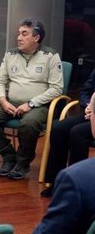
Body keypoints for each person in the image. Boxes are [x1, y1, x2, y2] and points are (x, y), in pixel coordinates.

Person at [0, 19, 64, 180]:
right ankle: (9, 156)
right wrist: (3, 100)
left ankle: (23, 162)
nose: (19, 37)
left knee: (29, 123)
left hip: (39, 105)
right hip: (10, 103)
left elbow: (56, 88)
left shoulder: (50, 56)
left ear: (36, 38)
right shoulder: (10, 54)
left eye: (24, 34)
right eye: (18, 34)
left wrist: (31, 103)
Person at [40, 67, 95, 197]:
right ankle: (56, 182)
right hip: (91, 112)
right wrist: (88, 106)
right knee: (59, 129)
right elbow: (86, 90)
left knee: (77, 133)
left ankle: (76, 185)